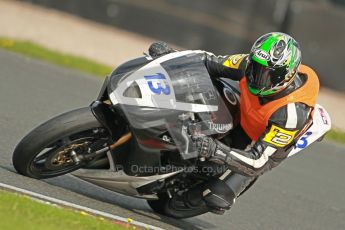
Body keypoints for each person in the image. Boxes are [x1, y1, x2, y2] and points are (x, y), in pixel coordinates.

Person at [148, 32, 319, 215]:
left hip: (258, 145)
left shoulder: (290, 114)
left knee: (216, 195)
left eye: (266, 74)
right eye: (255, 67)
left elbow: (257, 161)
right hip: (244, 114)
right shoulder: (247, 64)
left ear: (285, 76)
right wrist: (172, 57)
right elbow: (208, 60)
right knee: (204, 86)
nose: (255, 76)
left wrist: (214, 150)